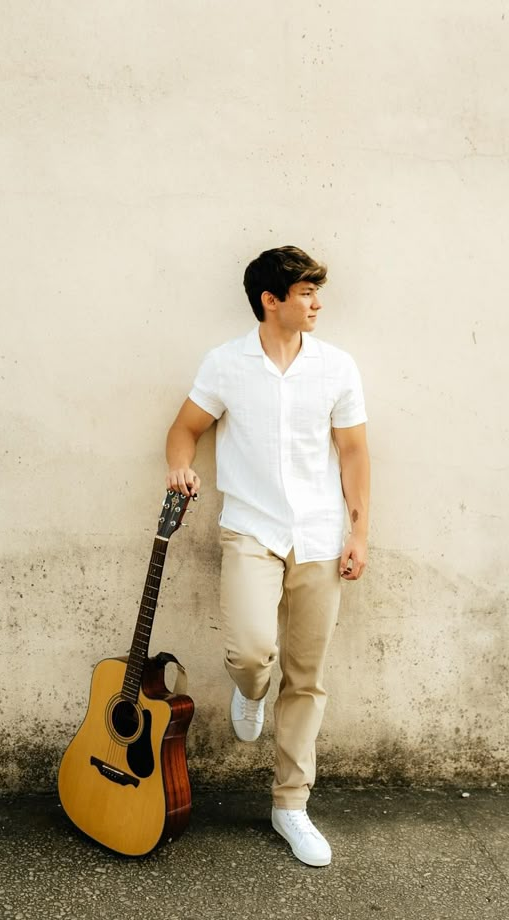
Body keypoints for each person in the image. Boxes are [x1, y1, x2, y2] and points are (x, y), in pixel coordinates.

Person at [165, 245, 370, 867]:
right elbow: (186, 429)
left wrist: (358, 532)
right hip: (251, 528)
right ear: (270, 300)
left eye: (316, 291)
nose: (317, 303)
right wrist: (179, 466)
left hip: (319, 534)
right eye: (305, 292)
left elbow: (356, 454)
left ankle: (291, 805)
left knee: (307, 678)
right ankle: (250, 691)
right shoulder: (226, 364)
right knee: (252, 652)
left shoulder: (337, 367)